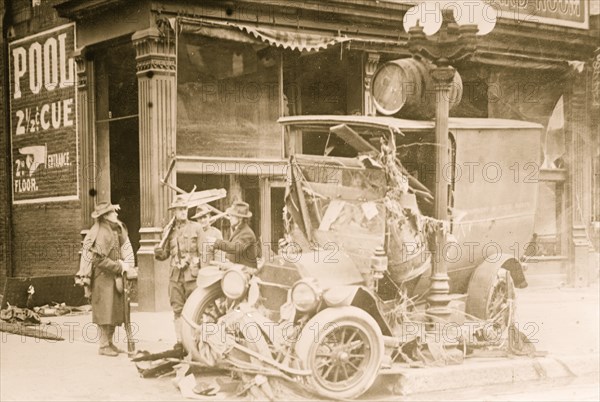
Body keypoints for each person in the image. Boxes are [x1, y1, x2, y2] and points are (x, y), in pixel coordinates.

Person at [82, 202, 136, 357]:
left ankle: (110, 343)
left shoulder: (110, 229)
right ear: (106, 216)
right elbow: (98, 260)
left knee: (113, 310)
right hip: (103, 278)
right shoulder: (100, 232)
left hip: (111, 277)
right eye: (113, 213)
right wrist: (119, 267)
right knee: (105, 311)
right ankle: (104, 345)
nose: (116, 215)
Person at [154, 197, 206, 352]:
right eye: (180, 209)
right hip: (175, 277)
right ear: (174, 212)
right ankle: (180, 342)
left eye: (185, 208)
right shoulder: (169, 232)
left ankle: (196, 343)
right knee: (177, 310)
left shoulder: (197, 228)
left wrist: (204, 275)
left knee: (196, 310)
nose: (184, 211)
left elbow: (204, 253)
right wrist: (158, 253)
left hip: (193, 277)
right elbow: (165, 255)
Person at [209, 201, 260, 268]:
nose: (230, 218)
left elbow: (235, 247)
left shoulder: (247, 233)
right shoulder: (238, 229)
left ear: (240, 218)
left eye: (232, 216)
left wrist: (216, 242)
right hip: (238, 268)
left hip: (246, 271)